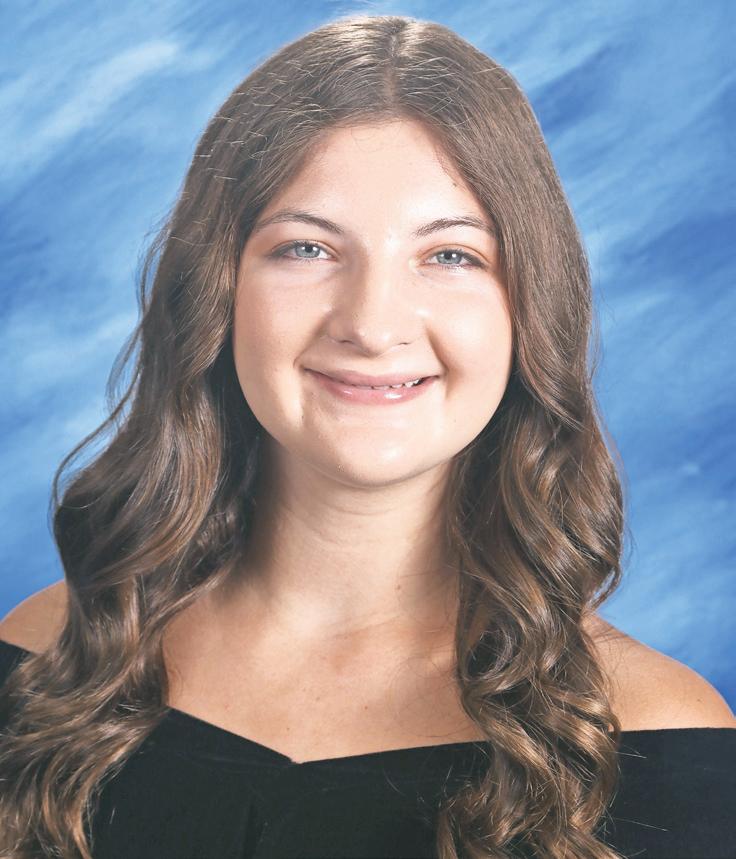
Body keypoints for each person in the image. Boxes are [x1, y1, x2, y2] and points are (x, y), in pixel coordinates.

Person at [0, 13, 734, 859]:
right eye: (307, 248)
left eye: (451, 256)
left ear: (531, 307)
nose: (373, 324)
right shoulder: (49, 665)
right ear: (217, 292)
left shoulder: (659, 744)